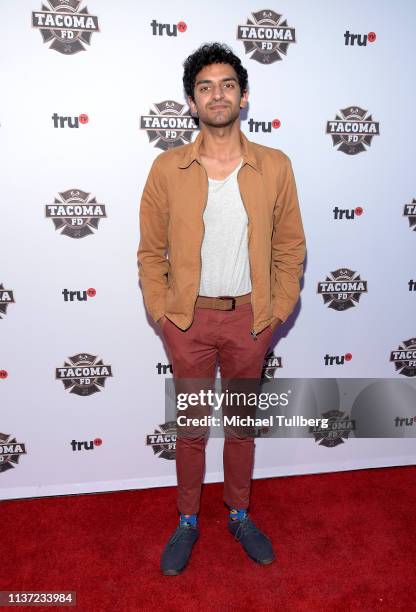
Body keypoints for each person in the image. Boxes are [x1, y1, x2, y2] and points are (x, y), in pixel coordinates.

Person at [137, 42, 306, 575]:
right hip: (187, 320)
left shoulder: (275, 167)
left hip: (250, 320)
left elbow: (290, 248)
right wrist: (164, 315)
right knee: (190, 428)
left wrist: (275, 314)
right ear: (191, 102)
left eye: (227, 84)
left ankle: (238, 513)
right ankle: (188, 520)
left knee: (239, 424)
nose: (217, 94)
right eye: (205, 86)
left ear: (244, 96)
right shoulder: (167, 168)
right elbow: (149, 253)